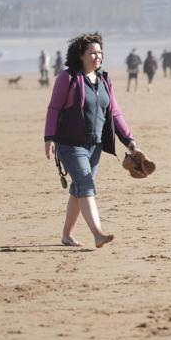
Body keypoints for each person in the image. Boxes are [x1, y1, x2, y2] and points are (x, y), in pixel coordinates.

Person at [43, 32, 140, 249]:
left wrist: (129, 141)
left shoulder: (104, 79)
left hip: (95, 145)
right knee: (86, 185)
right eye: (92, 53)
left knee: (79, 189)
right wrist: (49, 138)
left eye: (100, 52)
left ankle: (67, 236)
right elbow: (54, 108)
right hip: (69, 144)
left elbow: (114, 113)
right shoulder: (67, 78)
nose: (97, 56)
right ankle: (97, 234)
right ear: (81, 55)